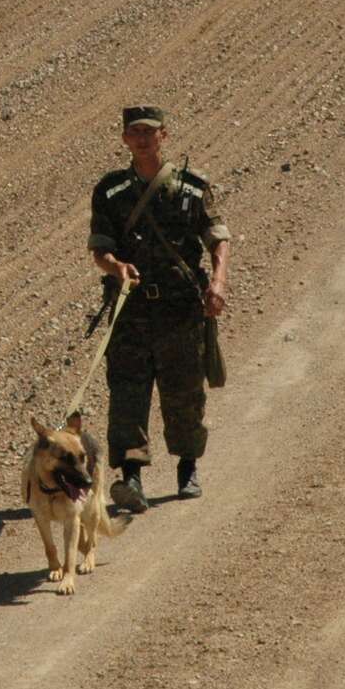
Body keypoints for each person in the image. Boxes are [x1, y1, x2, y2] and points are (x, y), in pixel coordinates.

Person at [87, 106, 232, 512]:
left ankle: (188, 468)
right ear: (124, 139)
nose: (142, 138)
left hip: (181, 310)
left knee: (184, 392)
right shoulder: (111, 191)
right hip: (131, 311)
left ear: (164, 135)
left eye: (149, 131)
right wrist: (116, 267)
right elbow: (99, 250)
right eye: (134, 132)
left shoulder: (191, 187)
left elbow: (218, 240)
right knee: (128, 394)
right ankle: (131, 477)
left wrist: (218, 283)